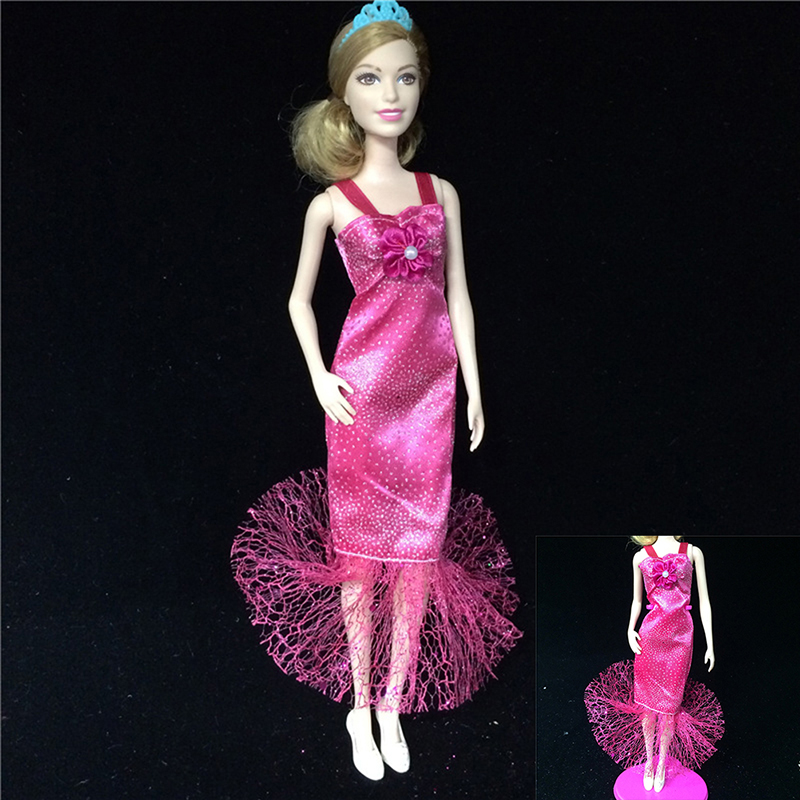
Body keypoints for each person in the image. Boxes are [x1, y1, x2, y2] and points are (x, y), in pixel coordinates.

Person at [231, 1, 521, 781]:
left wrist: (475, 387)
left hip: (430, 394)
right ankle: (358, 703)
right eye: (370, 78)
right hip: (361, 391)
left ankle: (393, 701)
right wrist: (318, 375)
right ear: (344, 94)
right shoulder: (332, 203)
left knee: (420, 554)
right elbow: (297, 301)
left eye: (405, 77)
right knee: (360, 560)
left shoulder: (440, 192)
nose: (389, 94)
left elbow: (459, 294)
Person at [584, 536, 724, 793]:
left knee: (670, 706)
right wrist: (630, 630)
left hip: (681, 637)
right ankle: (650, 760)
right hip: (650, 636)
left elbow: (705, 602)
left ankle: (662, 764)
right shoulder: (640, 556)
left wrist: (710, 644)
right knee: (647, 706)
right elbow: (637, 601)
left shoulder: (693, 552)